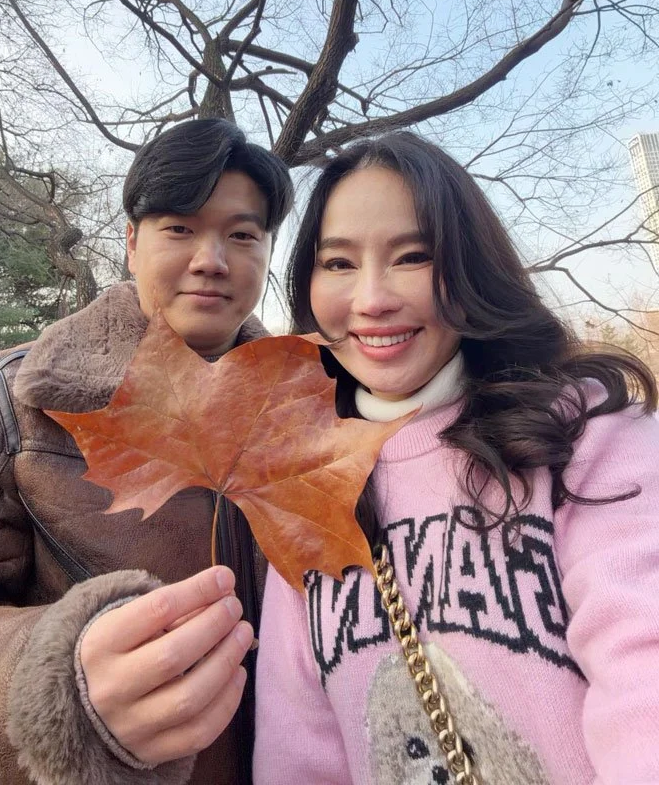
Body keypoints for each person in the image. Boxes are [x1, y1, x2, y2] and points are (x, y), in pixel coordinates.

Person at [253, 130, 659, 785]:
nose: (372, 298)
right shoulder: (302, 495)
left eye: (412, 256)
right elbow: (296, 748)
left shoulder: (585, 432)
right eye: (338, 263)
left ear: (469, 268)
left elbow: (645, 667)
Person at [0, 118, 293, 785]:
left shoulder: (320, 409)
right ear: (131, 243)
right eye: (180, 229)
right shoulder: (6, 405)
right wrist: (55, 692)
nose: (212, 259)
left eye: (242, 235)